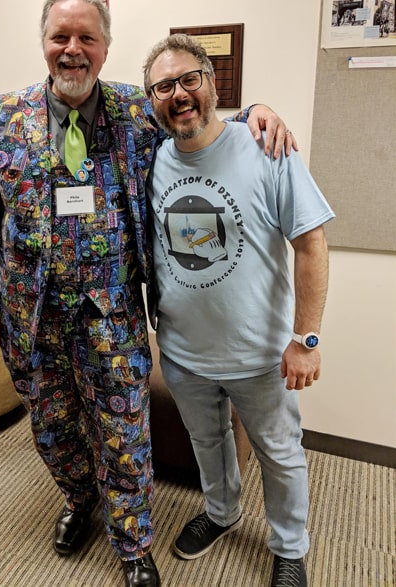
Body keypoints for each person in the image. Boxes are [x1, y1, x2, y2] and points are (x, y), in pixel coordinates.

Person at [0, 0, 295, 587]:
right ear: (44, 43)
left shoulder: (135, 112)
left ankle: (134, 544)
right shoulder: (4, 115)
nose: (73, 49)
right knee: (53, 431)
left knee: (124, 437)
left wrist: (254, 112)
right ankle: (78, 498)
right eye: (61, 37)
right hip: (30, 320)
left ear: (105, 47)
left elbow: (195, 121)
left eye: (86, 38)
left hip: (111, 317)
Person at [143, 34, 334, 587]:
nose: (179, 94)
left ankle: (290, 548)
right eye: (163, 86)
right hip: (183, 355)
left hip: (262, 356)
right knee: (208, 445)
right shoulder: (151, 160)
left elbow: (311, 245)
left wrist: (306, 339)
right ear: (151, 99)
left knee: (280, 454)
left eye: (189, 79)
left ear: (212, 82)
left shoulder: (267, 149)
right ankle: (222, 513)